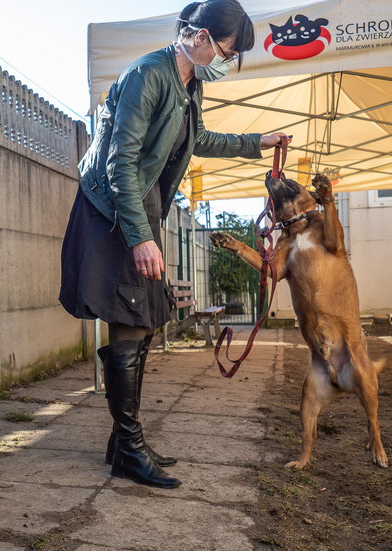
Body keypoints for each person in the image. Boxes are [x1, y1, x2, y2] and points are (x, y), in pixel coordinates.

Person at [59, 0, 291, 489]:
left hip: (141, 206)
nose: (229, 61)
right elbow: (119, 161)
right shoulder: (149, 74)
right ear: (200, 36)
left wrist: (257, 143)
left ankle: (125, 443)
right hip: (113, 210)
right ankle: (129, 446)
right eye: (229, 50)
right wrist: (140, 236)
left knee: (141, 320)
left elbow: (197, 140)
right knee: (130, 316)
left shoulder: (189, 84)